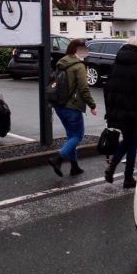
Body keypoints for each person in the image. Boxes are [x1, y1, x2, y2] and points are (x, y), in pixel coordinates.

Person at [103, 36, 137, 188]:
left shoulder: (116, 63)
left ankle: (112, 167)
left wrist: (110, 109)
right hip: (133, 111)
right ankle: (127, 177)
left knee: (128, 140)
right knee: (132, 143)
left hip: (116, 110)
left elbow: (107, 88)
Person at [48, 38, 97, 177]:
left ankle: (74, 166)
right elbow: (83, 88)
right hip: (72, 107)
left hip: (59, 105)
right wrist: (92, 105)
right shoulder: (79, 66)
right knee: (77, 136)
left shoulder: (62, 62)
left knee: (71, 136)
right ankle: (58, 159)